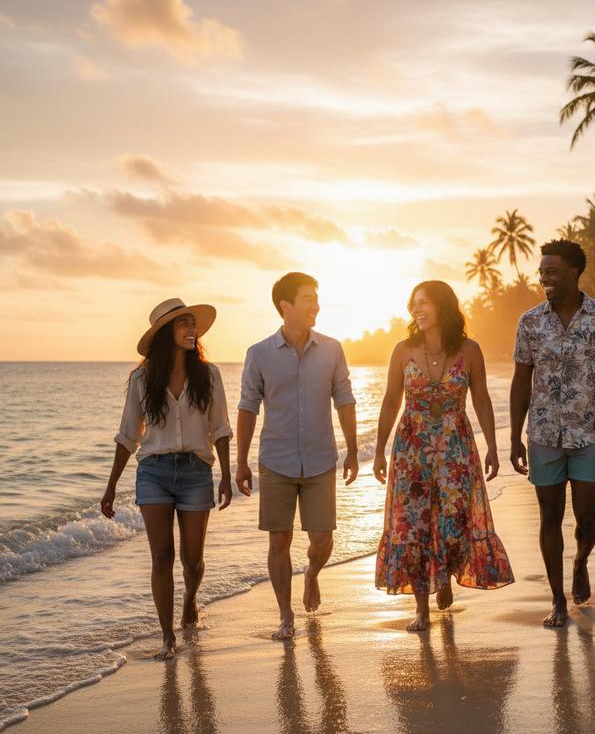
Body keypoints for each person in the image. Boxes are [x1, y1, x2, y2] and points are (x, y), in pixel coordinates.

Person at [374, 280, 514, 632]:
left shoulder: (469, 350)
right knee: (414, 524)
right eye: (413, 304)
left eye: (423, 303)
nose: (416, 310)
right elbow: (391, 400)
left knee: (453, 519)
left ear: (442, 306)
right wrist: (378, 449)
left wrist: (493, 447)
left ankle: (446, 576)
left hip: (455, 448)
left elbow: (480, 398)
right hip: (411, 450)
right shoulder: (403, 350)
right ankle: (422, 607)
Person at [101, 298, 233, 659]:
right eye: (183, 324)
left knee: (192, 560)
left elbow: (220, 428)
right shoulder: (143, 380)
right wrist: (111, 485)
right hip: (153, 474)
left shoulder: (209, 375)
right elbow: (128, 435)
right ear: (165, 333)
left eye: (193, 324)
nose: (192, 330)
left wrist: (225, 474)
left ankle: (190, 599)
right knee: (161, 556)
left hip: (195, 471)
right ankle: (167, 637)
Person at [510, 240, 595, 628]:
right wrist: (514, 436)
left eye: (552, 271)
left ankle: (580, 561)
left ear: (574, 273)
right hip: (543, 434)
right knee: (549, 517)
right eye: (541, 271)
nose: (543, 277)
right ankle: (558, 600)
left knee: (587, 519)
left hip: (590, 434)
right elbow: (520, 381)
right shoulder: (530, 322)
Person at [236, 272, 358, 641]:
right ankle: (285, 615)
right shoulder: (258, 354)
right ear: (285, 306)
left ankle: (313, 574)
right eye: (308, 298)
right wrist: (240, 461)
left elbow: (345, 398)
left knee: (323, 540)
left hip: (321, 459)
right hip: (276, 460)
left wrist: (354, 449)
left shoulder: (333, 349)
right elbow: (247, 407)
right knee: (279, 540)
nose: (315, 305)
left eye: (316, 298)